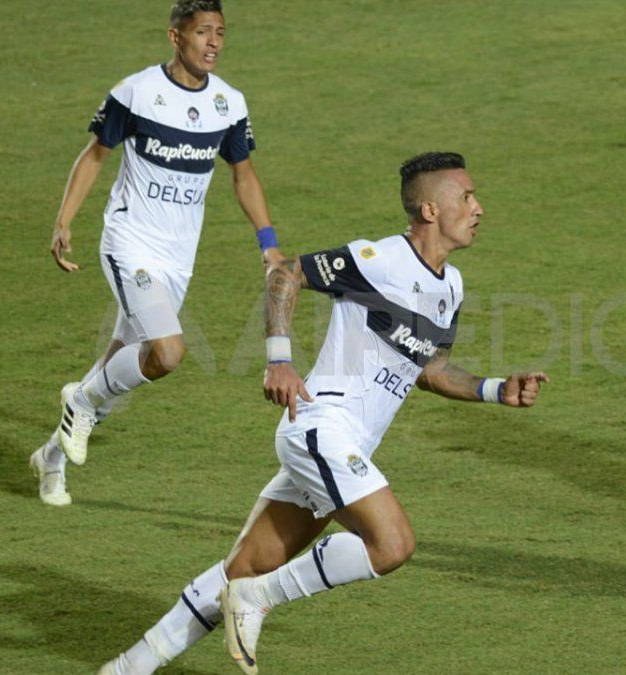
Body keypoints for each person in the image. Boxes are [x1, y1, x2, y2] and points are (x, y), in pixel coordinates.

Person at [98, 152, 549, 674]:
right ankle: (258, 598)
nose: (478, 207)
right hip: (320, 427)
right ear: (430, 209)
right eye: (466, 197)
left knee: (240, 568)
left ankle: (129, 667)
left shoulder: (451, 287)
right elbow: (286, 274)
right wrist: (280, 361)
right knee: (392, 543)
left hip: (343, 445)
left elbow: (431, 369)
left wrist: (497, 389)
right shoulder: (378, 259)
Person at [30, 0, 283, 506]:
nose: (213, 42)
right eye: (202, 32)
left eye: (220, 33)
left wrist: (268, 243)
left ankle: (51, 458)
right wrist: (64, 220)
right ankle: (77, 400)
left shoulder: (228, 103)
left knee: (120, 365)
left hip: (178, 257)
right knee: (167, 352)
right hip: (130, 243)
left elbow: (243, 173)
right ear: (175, 37)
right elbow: (96, 155)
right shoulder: (138, 92)